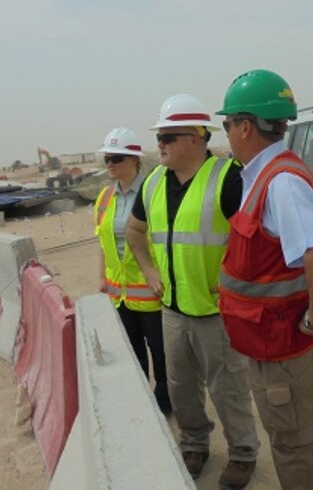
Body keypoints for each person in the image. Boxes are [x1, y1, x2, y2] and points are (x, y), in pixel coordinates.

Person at [216, 69, 313, 490]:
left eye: (227, 124)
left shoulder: (281, 183)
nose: (228, 134)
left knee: (306, 452)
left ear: (246, 126)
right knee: (293, 446)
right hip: (271, 347)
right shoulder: (264, 176)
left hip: (290, 351)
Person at [126, 94, 260, 490]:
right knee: (181, 386)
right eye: (159, 137)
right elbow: (135, 231)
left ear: (195, 138)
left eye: (167, 136)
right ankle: (194, 443)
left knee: (228, 388)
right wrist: (150, 271)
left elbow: (256, 241)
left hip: (217, 311)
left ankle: (242, 453)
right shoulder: (152, 183)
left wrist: (239, 288)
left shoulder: (228, 177)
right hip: (172, 308)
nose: (159, 145)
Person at [94, 127, 171, 416]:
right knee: (132, 351)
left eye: (116, 158)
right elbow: (102, 242)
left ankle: (165, 398)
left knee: (160, 351)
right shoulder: (104, 199)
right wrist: (101, 278)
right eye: (107, 159)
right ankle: (141, 397)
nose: (110, 165)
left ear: (134, 160)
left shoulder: (154, 192)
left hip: (151, 291)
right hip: (120, 293)